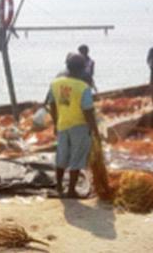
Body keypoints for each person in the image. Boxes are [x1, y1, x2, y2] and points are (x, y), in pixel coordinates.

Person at [48, 53, 101, 198]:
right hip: (80, 126)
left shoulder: (55, 83)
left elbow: (52, 104)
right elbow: (88, 111)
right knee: (77, 158)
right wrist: (95, 131)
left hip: (62, 124)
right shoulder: (83, 87)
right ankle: (71, 190)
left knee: (62, 156)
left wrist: (55, 122)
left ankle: (59, 186)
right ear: (82, 69)